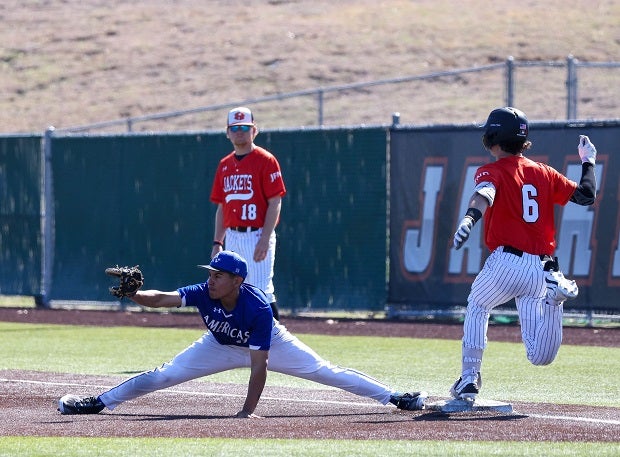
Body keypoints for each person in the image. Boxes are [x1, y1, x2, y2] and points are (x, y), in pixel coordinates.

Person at [57, 251, 427, 417]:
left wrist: (247, 411)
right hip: (217, 346)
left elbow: (259, 367)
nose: (210, 278)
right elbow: (164, 299)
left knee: (325, 372)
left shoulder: (258, 307)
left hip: (267, 345)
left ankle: (395, 397)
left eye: (218, 275)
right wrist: (136, 294)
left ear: (237, 280)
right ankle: (100, 402)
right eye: (210, 273)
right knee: (163, 375)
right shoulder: (205, 291)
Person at [450, 107, 597, 400]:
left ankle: (469, 378)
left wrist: (469, 218)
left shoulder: (492, 169)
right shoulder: (543, 171)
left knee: (478, 304)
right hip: (543, 270)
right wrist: (588, 161)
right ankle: (556, 300)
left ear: (493, 136)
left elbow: (485, 194)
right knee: (539, 356)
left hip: (507, 262)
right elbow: (585, 195)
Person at [210, 107, 286, 320]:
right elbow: (222, 207)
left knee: (261, 291)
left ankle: (277, 339)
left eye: (245, 127)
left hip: (257, 233)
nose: (240, 132)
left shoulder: (266, 160)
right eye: (235, 128)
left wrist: (264, 238)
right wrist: (217, 242)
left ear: (255, 130)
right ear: (227, 133)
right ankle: (241, 343)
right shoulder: (225, 165)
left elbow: (275, 202)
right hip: (233, 235)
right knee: (234, 290)